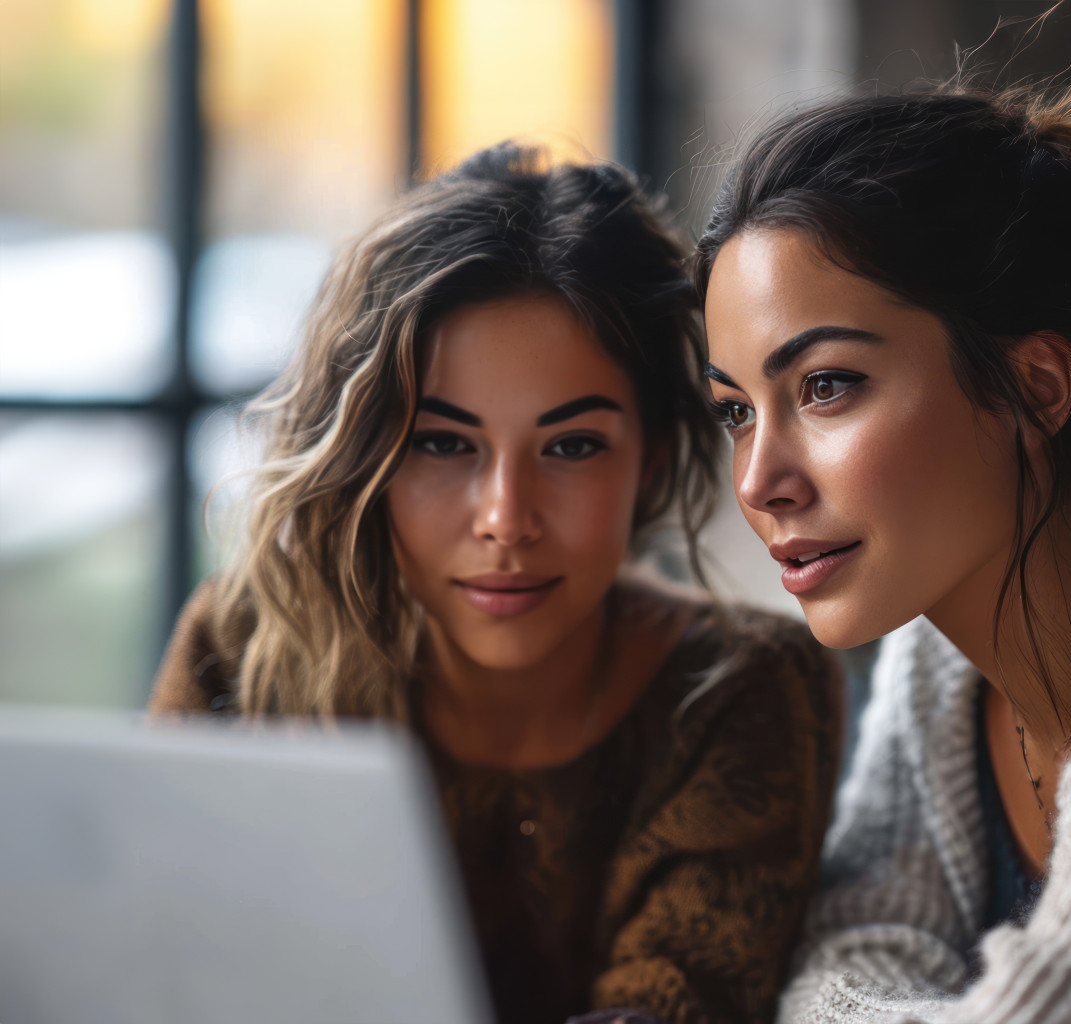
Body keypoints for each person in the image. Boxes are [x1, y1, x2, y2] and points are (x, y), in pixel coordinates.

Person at [149, 144, 844, 1024]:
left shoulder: (740, 687)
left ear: (653, 462)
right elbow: (155, 970)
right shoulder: (244, 648)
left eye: (571, 446)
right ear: (369, 456)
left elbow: (677, 1004)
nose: (505, 518)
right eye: (444, 443)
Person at [692, 69, 1071, 1023]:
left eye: (827, 386)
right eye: (735, 412)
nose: (760, 482)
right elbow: (841, 958)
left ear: (1035, 388)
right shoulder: (938, 670)